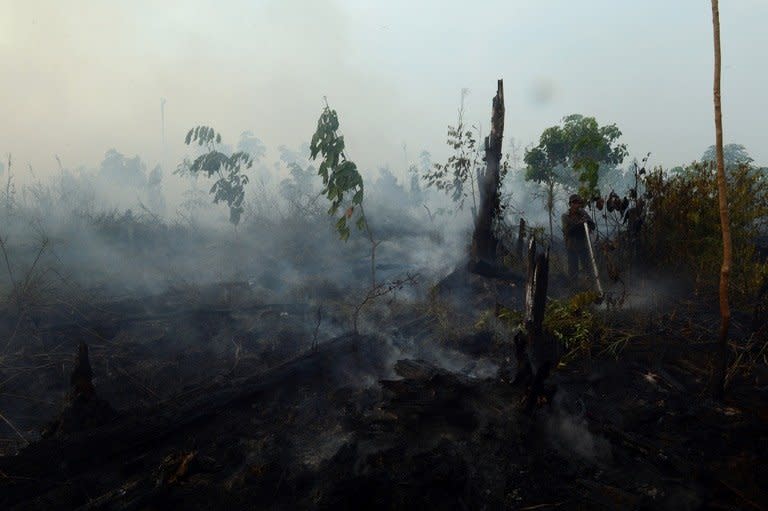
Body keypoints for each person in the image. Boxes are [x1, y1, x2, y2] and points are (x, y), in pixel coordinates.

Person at [562, 194, 596, 280]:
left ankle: (591, 287)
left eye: (578, 202)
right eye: (575, 202)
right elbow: (568, 232)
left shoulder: (583, 213)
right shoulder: (565, 216)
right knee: (573, 272)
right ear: (570, 204)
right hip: (572, 247)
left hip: (583, 246)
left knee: (588, 269)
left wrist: (587, 222)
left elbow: (592, 225)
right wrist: (580, 224)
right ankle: (574, 289)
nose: (577, 205)